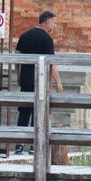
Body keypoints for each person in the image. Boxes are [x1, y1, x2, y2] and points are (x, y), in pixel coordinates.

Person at [14, 11, 63, 155]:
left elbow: (17, 59)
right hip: (40, 81)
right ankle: (33, 146)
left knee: (24, 112)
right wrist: (58, 82)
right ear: (47, 22)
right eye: (54, 22)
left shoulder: (24, 35)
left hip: (26, 80)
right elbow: (51, 64)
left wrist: (19, 76)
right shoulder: (46, 39)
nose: (54, 26)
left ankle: (19, 145)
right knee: (38, 112)